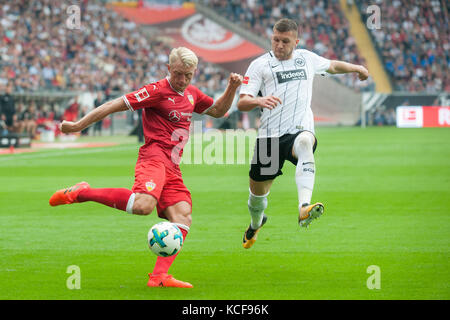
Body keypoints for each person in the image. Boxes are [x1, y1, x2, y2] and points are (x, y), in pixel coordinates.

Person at [49, 47, 243, 288]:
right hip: (153, 157)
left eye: (188, 75)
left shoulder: (192, 93)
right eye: (178, 74)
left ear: (194, 73)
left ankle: (159, 277)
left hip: (173, 166)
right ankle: (81, 193)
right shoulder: (156, 91)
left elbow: (218, 111)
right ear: (168, 68)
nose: (182, 80)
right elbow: (113, 105)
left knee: (183, 217)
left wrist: (232, 88)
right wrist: (79, 125)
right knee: (143, 206)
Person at [237, 18, 369, 249]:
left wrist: (356, 68)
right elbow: (243, 102)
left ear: (296, 42)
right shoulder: (259, 65)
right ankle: (256, 223)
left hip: (298, 130)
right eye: (275, 40)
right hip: (269, 138)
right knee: (258, 195)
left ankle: (303, 207)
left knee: (306, 142)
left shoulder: (307, 58)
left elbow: (333, 66)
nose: (279, 45)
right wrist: (259, 99)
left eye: (285, 41)